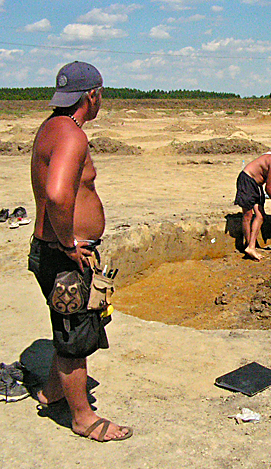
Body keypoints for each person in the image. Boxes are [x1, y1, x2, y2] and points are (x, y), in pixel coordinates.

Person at [28, 61, 132, 442]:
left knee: (70, 328)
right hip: (63, 254)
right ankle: (82, 418)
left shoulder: (50, 127)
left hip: (53, 249)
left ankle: (53, 391)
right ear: (93, 95)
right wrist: (69, 243)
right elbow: (56, 194)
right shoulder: (73, 136)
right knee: (73, 337)